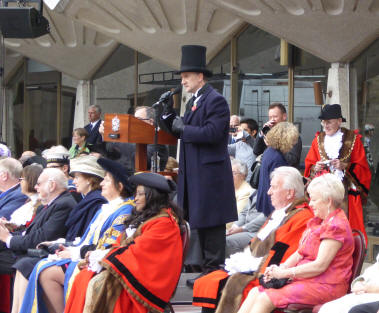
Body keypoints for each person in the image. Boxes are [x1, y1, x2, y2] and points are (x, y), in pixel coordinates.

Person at [161, 45, 237, 286]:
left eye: (186, 77)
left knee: (211, 223)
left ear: (200, 76)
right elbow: (179, 131)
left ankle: (213, 272)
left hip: (209, 175)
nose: (182, 82)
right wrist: (168, 116)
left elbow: (214, 133)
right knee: (199, 221)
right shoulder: (194, 101)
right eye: (182, 78)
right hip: (194, 172)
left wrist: (185, 128)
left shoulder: (216, 101)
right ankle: (205, 270)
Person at [18, 157, 135, 313]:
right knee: (40, 266)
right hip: (86, 254)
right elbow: (86, 239)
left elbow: (107, 246)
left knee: (46, 272)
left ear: (119, 186)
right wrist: (68, 247)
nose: (101, 184)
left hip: (100, 262)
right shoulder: (106, 208)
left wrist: (73, 252)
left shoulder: (124, 211)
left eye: (106, 181)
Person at [192, 166, 313, 313]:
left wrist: (251, 265)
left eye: (273, 187)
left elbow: (284, 254)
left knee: (218, 285)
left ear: (290, 193)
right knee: (210, 281)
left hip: (267, 274)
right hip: (255, 266)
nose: (269, 192)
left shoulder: (302, 217)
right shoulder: (281, 212)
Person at [64, 172, 182, 313]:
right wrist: (99, 253)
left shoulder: (164, 223)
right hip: (129, 272)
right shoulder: (146, 217)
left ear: (151, 196)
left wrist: (104, 257)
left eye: (140, 194)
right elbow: (121, 244)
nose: (135, 199)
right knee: (82, 277)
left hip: (144, 284)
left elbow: (140, 253)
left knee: (94, 283)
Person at [237, 173, 354, 313]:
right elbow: (300, 253)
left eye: (314, 199)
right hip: (309, 280)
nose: (310, 203)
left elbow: (319, 266)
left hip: (326, 285)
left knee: (265, 297)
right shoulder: (319, 221)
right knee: (255, 292)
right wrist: (279, 268)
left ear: (328, 201)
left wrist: (285, 273)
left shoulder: (336, 226)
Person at [304, 104, 371, 242]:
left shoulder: (353, 140)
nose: (325, 125)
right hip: (322, 195)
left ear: (339, 121)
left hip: (346, 194)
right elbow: (309, 164)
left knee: (347, 230)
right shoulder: (318, 141)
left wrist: (345, 166)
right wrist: (315, 168)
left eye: (329, 121)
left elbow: (363, 168)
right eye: (323, 122)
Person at [0, 168, 77, 275]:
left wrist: (8, 238)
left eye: (39, 184)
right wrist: (6, 232)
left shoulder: (64, 205)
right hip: (26, 251)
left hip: (36, 254)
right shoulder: (49, 205)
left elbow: (40, 238)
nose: (36, 187)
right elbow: (28, 232)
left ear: (52, 185)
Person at [257, 122, 299, 216]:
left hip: (263, 202)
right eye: (293, 140)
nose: (294, 144)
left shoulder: (269, 151)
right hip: (271, 207)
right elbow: (278, 186)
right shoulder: (277, 158)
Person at [253, 103, 302, 168]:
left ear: (284, 116)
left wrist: (273, 146)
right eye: (270, 117)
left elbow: (292, 160)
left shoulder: (292, 135)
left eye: (275, 117)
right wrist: (262, 133)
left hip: (285, 174)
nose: (272, 120)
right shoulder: (269, 133)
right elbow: (256, 151)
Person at [225, 189, 266, 257]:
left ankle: (231, 265)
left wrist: (242, 228)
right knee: (218, 236)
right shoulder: (254, 191)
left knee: (228, 241)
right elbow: (244, 212)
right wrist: (235, 226)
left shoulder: (269, 193)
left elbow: (265, 217)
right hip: (245, 227)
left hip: (258, 231)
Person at [4, 164, 43, 231]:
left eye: (21, 179)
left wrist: (8, 226)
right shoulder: (30, 201)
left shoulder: (40, 203)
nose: (20, 182)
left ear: (31, 180)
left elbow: (26, 230)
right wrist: (7, 224)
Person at [228, 158, 254, 227]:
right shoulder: (229, 187)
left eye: (233, 173)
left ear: (243, 176)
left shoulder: (246, 192)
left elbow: (235, 218)